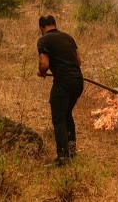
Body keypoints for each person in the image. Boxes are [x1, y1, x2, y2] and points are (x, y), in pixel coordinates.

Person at [37, 15, 83, 166]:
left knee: (59, 118)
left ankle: (63, 158)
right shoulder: (68, 37)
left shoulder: (43, 40)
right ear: (55, 24)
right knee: (67, 114)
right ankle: (72, 150)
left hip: (63, 83)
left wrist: (42, 71)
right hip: (78, 82)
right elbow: (78, 61)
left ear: (41, 28)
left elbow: (44, 64)